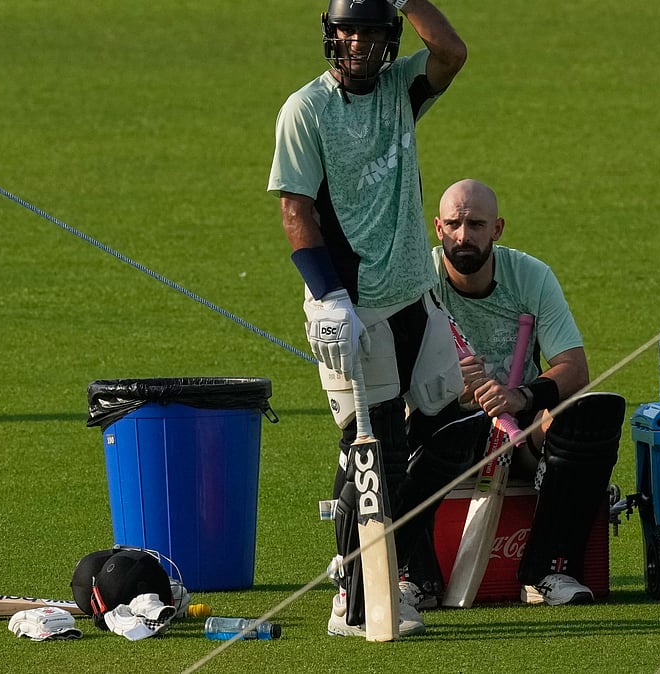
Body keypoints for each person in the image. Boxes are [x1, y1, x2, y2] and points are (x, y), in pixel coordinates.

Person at [266, 0, 467, 637]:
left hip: (414, 297)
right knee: (372, 450)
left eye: (374, 32)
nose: (359, 44)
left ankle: (373, 561)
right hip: (352, 308)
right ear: (331, 35)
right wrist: (327, 297)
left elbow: (452, 54)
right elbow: (296, 208)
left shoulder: (400, 90)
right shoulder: (306, 111)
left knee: (450, 425)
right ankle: (355, 604)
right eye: (349, 31)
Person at [400, 178, 624, 608]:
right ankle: (414, 575)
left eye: (476, 225)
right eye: (453, 224)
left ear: (497, 229)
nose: (464, 236)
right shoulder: (417, 279)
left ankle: (549, 571)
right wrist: (443, 379)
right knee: (395, 426)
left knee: (592, 414)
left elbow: (575, 369)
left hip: (518, 427)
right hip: (444, 421)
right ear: (437, 227)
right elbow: (389, 367)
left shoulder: (531, 276)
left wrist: (520, 396)